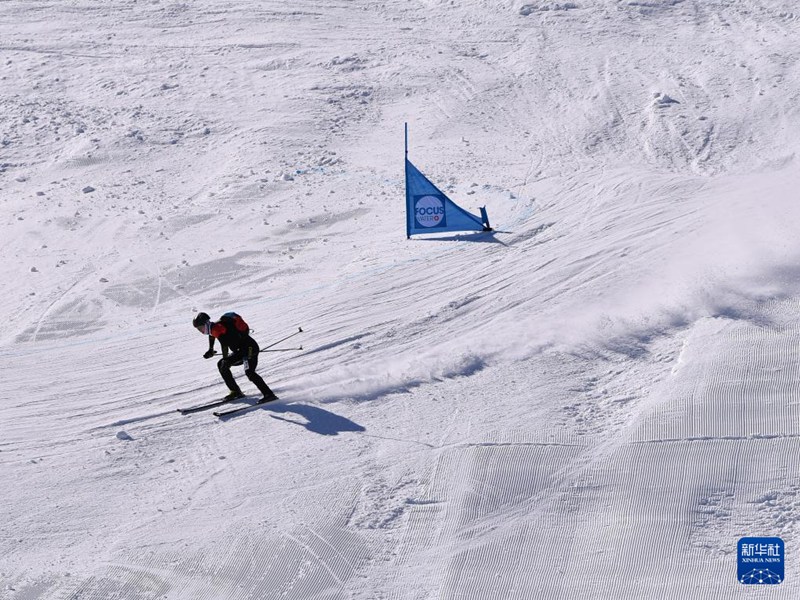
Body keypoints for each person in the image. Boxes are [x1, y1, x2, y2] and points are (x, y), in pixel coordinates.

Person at [192, 311, 277, 402]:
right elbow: (212, 336)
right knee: (221, 364)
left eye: (200, 327)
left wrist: (225, 359)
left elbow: (224, 345)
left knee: (249, 372)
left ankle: (269, 394)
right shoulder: (213, 328)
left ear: (206, 323)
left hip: (249, 349)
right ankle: (236, 392)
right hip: (240, 351)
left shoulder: (216, 328)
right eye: (198, 329)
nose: (200, 331)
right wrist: (211, 349)